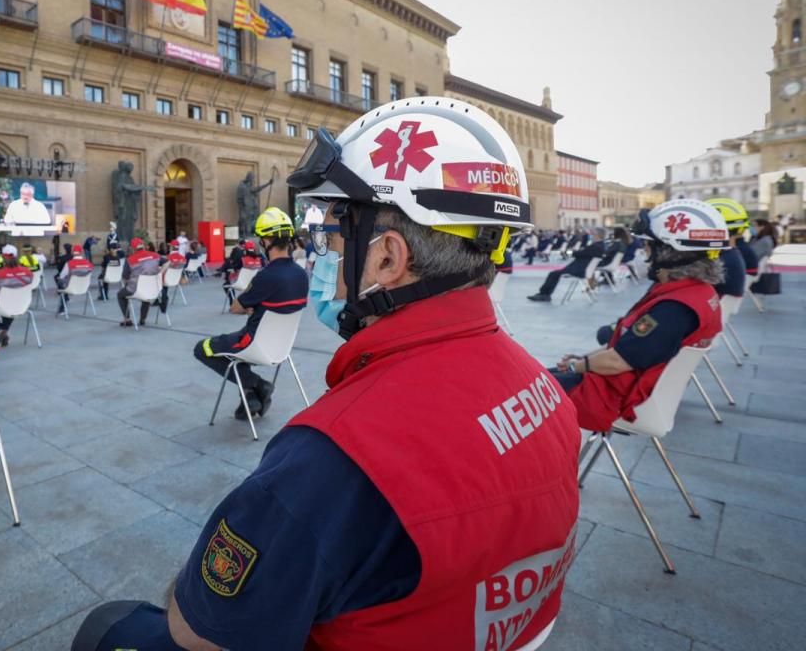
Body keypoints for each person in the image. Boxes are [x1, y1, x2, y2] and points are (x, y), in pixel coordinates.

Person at [73, 97, 579, 651]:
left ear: (387, 258)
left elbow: (200, 628)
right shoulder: (544, 387)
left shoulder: (334, 455)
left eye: (336, 242)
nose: (328, 264)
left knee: (111, 625)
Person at [549, 200, 726, 433]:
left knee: (531, 389)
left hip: (615, 398)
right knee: (542, 377)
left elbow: (618, 361)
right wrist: (582, 360)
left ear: (669, 252)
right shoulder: (697, 292)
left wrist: (575, 366)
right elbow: (628, 348)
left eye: (649, 246)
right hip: (632, 387)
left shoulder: (674, 308)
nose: (645, 252)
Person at [192, 207, 307, 419]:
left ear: (266, 241)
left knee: (201, 349)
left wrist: (251, 304)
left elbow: (235, 307)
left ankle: (259, 385)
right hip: (282, 346)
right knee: (237, 353)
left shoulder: (267, 276)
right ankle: (250, 400)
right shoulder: (301, 275)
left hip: (253, 343)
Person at [527, 226, 607, 301]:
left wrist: (571, 252)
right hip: (582, 268)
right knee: (554, 273)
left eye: (593, 234)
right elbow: (583, 253)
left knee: (553, 274)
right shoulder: (600, 246)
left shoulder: (595, 246)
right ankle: (544, 294)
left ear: (597, 235)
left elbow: (579, 253)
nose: (591, 236)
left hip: (579, 269)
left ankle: (544, 294)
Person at [0, 245, 34, 346]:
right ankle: (4, 331)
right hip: (23, 305)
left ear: (3, 257)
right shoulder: (28, 272)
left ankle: (2, 330)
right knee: (8, 306)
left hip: (4, 306)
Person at [117, 236, 161, 327]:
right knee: (146, 295)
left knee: (120, 295)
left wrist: (126, 283)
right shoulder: (155, 255)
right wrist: (160, 273)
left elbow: (125, 276)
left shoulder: (130, 260)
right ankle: (142, 319)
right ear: (143, 246)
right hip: (152, 289)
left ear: (133, 248)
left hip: (135, 289)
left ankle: (127, 319)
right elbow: (167, 262)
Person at [56, 245, 95, 313]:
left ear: (73, 252)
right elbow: (90, 274)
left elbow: (62, 276)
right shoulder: (89, 264)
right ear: (81, 252)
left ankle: (62, 309)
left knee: (61, 281)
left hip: (71, 288)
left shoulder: (69, 263)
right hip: (84, 288)